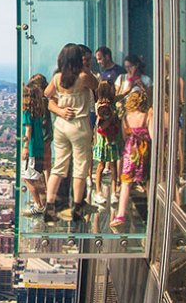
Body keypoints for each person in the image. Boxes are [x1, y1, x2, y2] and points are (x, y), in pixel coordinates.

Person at [44, 44, 99, 223]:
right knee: (80, 168)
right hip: (79, 125)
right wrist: (83, 69)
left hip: (61, 125)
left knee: (59, 166)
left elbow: (47, 93)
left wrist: (60, 106)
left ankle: (49, 206)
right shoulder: (83, 77)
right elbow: (96, 85)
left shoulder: (57, 77)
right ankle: (77, 207)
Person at [112, 89, 153, 228]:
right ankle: (151, 211)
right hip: (144, 150)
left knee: (126, 182)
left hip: (130, 151)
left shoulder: (126, 118)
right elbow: (152, 135)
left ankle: (120, 215)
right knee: (148, 181)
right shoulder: (147, 115)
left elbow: (124, 137)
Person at [91, 81, 121, 205]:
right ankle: (98, 192)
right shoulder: (100, 106)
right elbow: (101, 126)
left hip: (112, 138)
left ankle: (114, 192)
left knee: (113, 165)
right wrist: (111, 118)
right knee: (101, 166)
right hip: (103, 140)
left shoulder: (112, 105)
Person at [21, 80, 48, 213]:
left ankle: (39, 205)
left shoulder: (26, 113)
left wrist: (25, 147)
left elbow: (28, 131)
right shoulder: (37, 112)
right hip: (39, 148)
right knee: (36, 177)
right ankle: (43, 202)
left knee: (27, 178)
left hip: (31, 150)